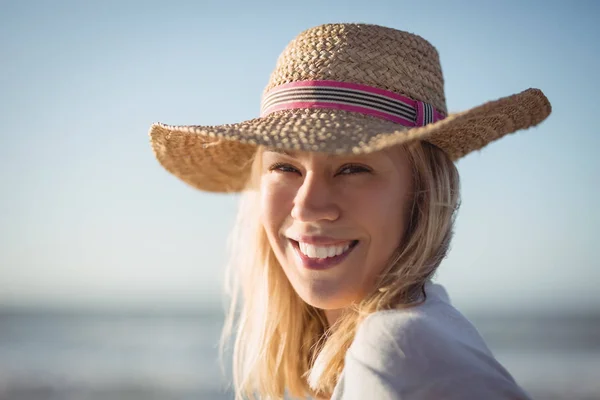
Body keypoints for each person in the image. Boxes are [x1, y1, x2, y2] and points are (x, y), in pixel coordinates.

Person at [149, 23, 551, 400]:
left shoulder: (398, 349)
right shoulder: (410, 336)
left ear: (422, 193)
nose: (308, 206)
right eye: (285, 167)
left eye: (354, 167)